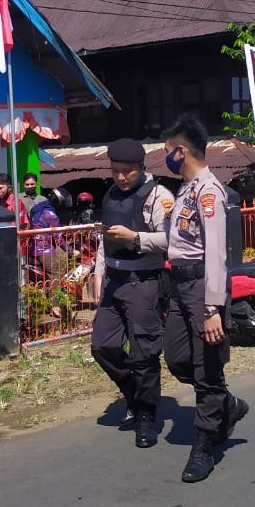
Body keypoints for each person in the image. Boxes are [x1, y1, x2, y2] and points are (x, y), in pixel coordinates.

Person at [161, 114, 248, 483]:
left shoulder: (209, 192)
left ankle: (205, 445)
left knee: (206, 369)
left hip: (202, 289)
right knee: (178, 358)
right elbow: (176, 243)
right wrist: (134, 239)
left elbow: (216, 253)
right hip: (180, 286)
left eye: (168, 152)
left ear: (180, 152)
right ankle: (226, 405)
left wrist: (212, 308)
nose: (166, 158)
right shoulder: (185, 189)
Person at [90, 138, 171, 448]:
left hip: (143, 279)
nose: (121, 178)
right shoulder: (110, 194)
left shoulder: (158, 196)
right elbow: (104, 242)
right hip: (113, 278)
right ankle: (134, 394)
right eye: (115, 171)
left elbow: (172, 239)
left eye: (127, 172)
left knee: (144, 352)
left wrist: (136, 238)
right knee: (102, 346)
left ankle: (147, 415)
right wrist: (100, 279)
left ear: (141, 168)